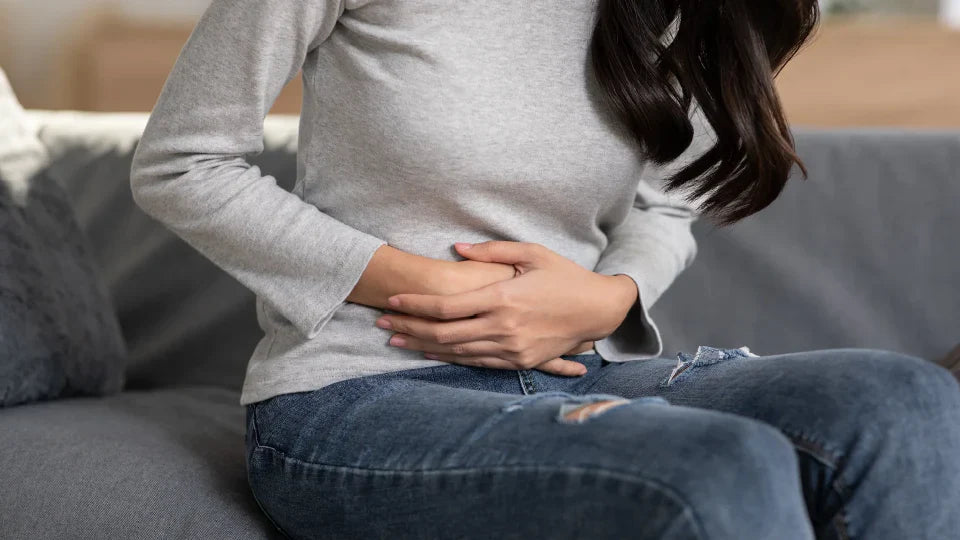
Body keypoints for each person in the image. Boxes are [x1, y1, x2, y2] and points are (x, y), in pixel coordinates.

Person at [129, 0, 960, 538]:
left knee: (906, 399)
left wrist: (609, 299)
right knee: (722, 464)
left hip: (579, 375)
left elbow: (665, 205)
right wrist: (409, 279)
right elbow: (182, 162)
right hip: (359, 395)